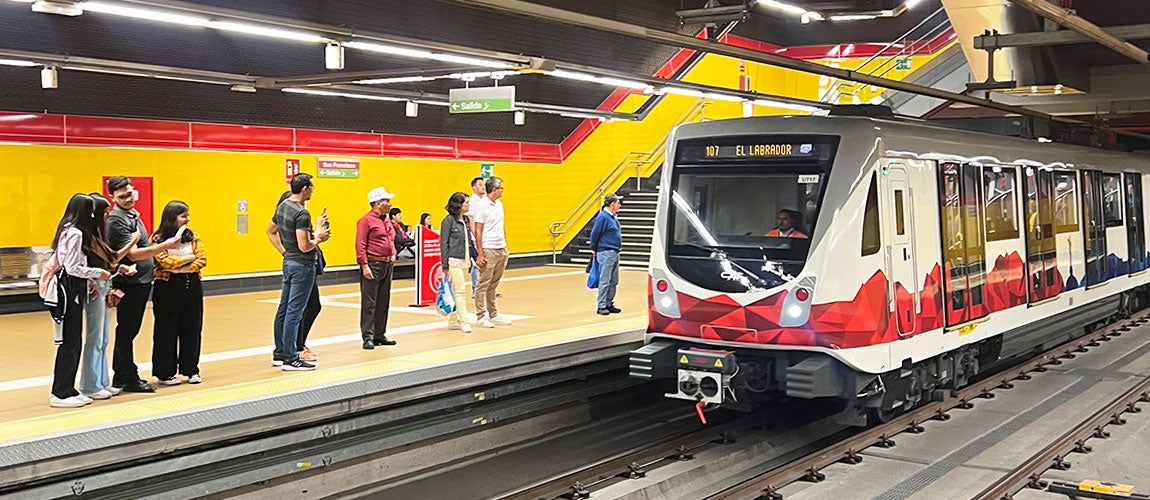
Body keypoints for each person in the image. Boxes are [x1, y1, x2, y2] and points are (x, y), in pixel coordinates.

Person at [106, 176, 181, 393]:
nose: (129, 199)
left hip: (141, 281)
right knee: (127, 330)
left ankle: (125, 372)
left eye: (130, 194)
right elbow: (134, 254)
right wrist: (164, 246)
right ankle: (125, 375)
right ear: (113, 198)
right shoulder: (117, 220)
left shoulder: (132, 216)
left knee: (131, 329)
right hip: (130, 282)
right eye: (122, 197)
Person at [49, 195, 113, 408]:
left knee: (72, 339)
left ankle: (68, 388)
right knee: (71, 340)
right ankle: (61, 392)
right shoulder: (76, 232)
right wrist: (98, 273)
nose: (94, 215)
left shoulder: (66, 229)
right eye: (92, 210)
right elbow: (73, 267)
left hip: (70, 288)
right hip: (70, 289)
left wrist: (90, 283)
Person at [266, 173, 329, 371]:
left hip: (289, 263)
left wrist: (284, 251)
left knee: (284, 309)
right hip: (302, 265)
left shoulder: (283, 206)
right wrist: (319, 237)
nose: (313, 190)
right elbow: (305, 245)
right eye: (312, 187)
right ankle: (290, 358)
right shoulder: (302, 213)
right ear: (304, 189)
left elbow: (270, 230)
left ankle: (280, 354)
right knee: (295, 312)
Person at [79, 193, 138, 401]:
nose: (107, 216)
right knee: (94, 337)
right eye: (104, 212)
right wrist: (133, 242)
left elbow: (108, 262)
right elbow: (111, 257)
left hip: (105, 286)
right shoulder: (87, 235)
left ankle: (102, 381)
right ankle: (89, 384)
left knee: (103, 338)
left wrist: (119, 268)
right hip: (95, 288)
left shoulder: (98, 234)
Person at [151, 201, 207, 386]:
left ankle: (191, 370)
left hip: (192, 285)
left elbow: (201, 259)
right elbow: (163, 262)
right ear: (171, 217)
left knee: (192, 327)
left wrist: (182, 265)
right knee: (166, 329)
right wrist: (183, 262)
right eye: (183, 216)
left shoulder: (194, 237)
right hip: (167, 287)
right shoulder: (158, 239)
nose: (187, 219)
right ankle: (165, 372)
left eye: (188, 215)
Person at [356, 187, 399, 350]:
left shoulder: (386, 220)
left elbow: (391, 239)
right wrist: (364, 265)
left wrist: (393, 253)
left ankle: (379, 334)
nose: (389, 204)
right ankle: (368, 336)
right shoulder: (365, 221)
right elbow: (360, 244)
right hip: (373, 264)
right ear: (377, 203)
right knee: (369, 302)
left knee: (383, 301)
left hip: (387, 264)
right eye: (386, 201)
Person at [473, 176, 512, 328]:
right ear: (494, 190)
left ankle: (493, 313)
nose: (502, 190)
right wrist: (480, 253)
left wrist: (505, 246)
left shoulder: (499, 204)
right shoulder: (482, 205)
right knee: (483, 283)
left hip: (501, 248)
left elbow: (500, 226)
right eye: (501, 188)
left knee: (494, 283)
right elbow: (478, 230)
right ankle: (481, 315)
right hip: (488, 248)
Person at [440, 192, 479, 333]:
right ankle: (464, 320)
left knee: (457, 290)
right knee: (460, 291)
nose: (468, 205)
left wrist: (476, 256)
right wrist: (444, 264)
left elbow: (469, 240)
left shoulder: (466, 220)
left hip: (465, 260)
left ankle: (452, 320)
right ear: (458, 205)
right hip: (453, 260)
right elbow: (443, 243)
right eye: (466, 202)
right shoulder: (448, 221)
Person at [590, 193, 623, 315]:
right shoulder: (603, 217)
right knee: (605, 280)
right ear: (612, 204)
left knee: (613, 280)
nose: (620, 205)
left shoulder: (613, 217)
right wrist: (593, 248)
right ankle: (601, 305)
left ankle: (609, 303)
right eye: (618, 203)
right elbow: (595, 234)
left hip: (614, 252)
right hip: (606, 252)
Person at [465, 177, 486, 293]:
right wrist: (476, 235)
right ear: (474, 188)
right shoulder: (473, 201)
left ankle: (484, 288)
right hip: (476, 237)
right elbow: (471, 219)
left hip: (484, 236)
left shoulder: (484, 201)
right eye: (480, 185)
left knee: (484, 263)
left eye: (483, 184)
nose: (483, 186)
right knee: (477, 263)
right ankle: (476, 289)